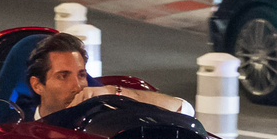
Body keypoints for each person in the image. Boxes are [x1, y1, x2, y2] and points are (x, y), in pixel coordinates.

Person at [25, 32, 189, 118]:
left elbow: (183, 109)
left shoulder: (102, 114)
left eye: (81, 75)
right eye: (63, 76)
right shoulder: (19, 127)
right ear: (37, 85)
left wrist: (110, 92)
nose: (77, 86)